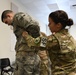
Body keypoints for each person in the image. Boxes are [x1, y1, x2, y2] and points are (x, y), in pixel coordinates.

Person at [23, 10, 76, 75]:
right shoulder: (71, 38)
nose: (48, 25)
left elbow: (33, 43)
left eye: (50, 23)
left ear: (58, 25)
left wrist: (26, 36)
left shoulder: (53, 39)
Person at [1, 10, 41, 75]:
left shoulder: (17, 17)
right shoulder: (16, 23)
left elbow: (34, 25)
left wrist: (32, 40)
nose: (7, 24)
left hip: (27, 57)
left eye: (6, 22)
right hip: (26, 56)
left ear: (9, 16)